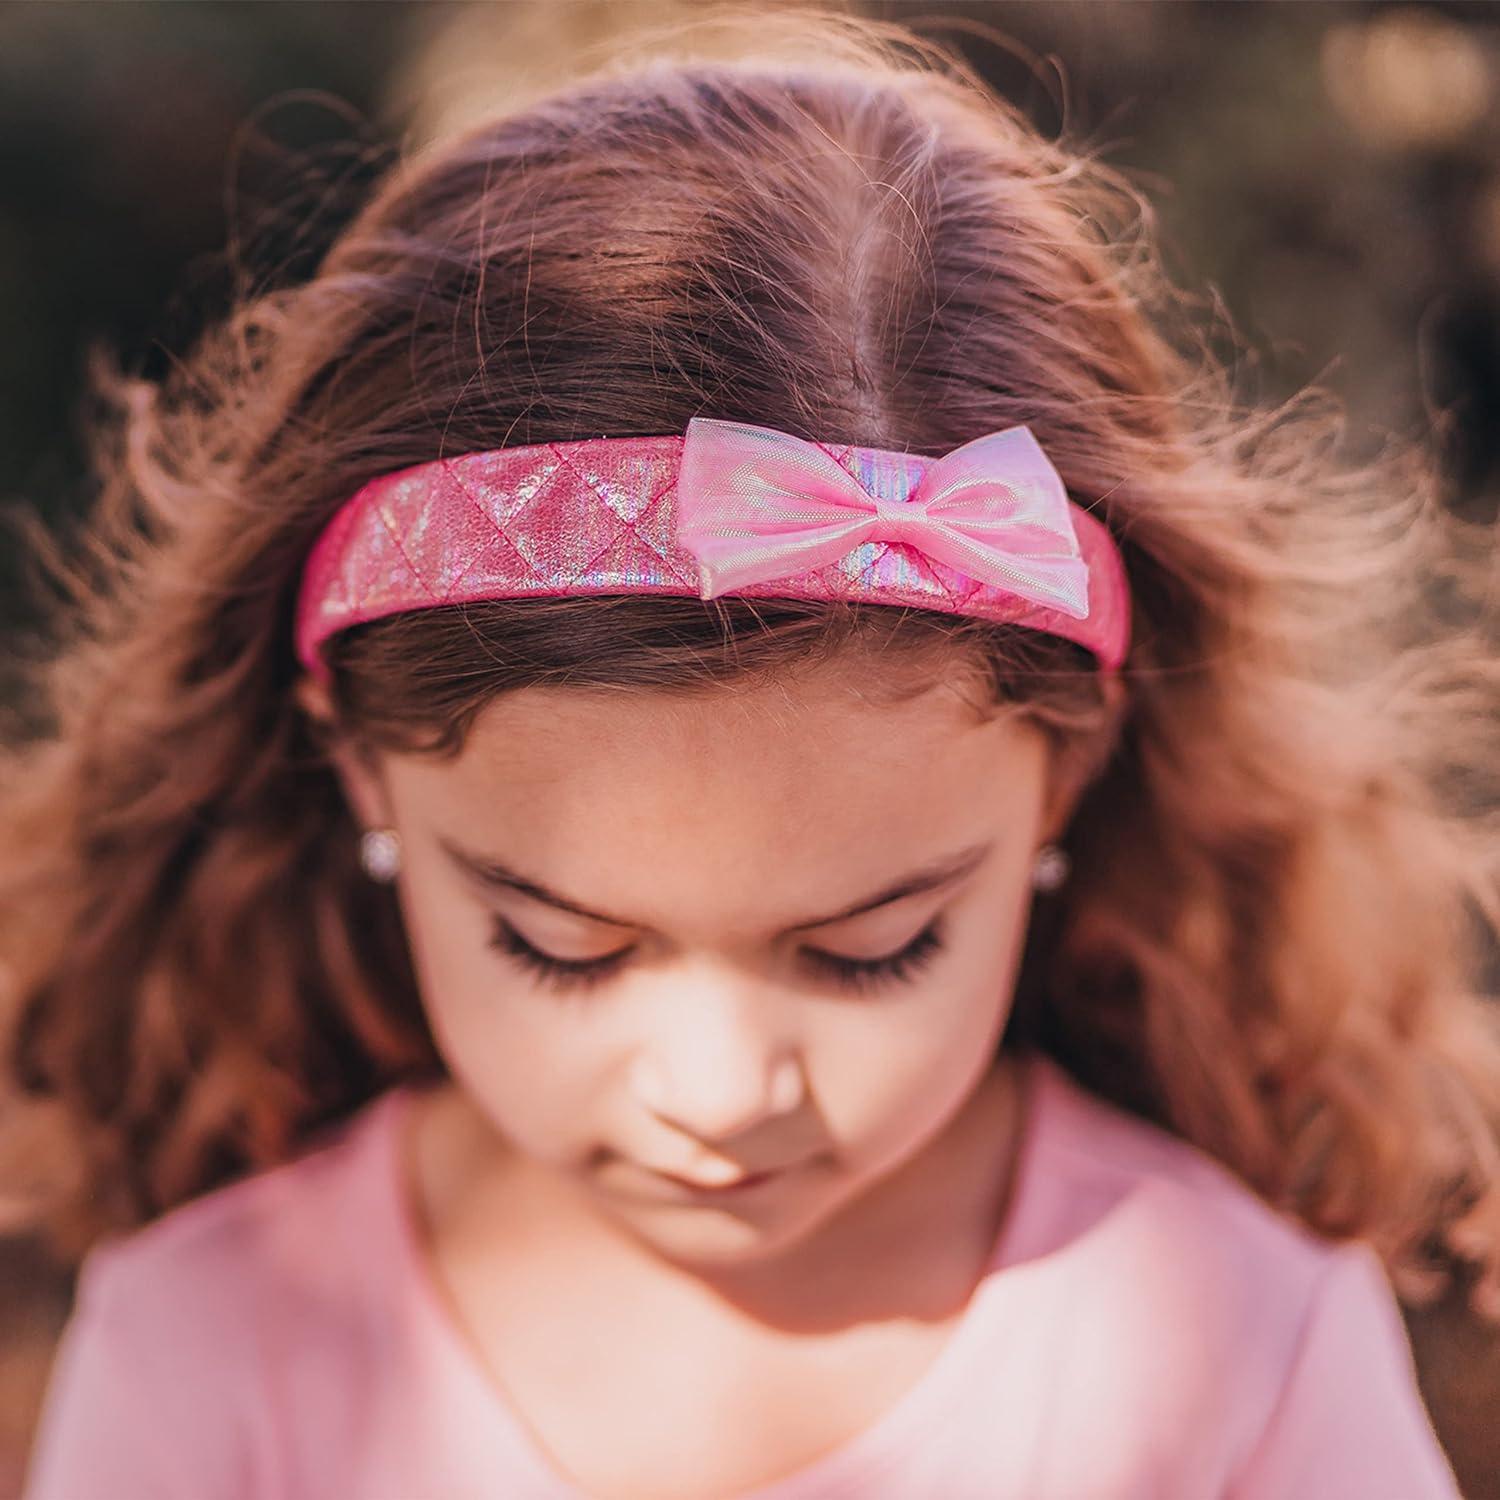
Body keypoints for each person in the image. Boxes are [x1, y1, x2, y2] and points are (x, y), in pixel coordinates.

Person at [4, 10, 1497, 1499]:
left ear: (1073, 768)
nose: (718, 1097)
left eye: (874, 949)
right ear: (357, 762)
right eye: (560, 947)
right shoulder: (213, 1343)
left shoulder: (1240, 1340)